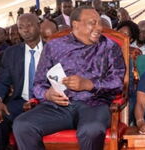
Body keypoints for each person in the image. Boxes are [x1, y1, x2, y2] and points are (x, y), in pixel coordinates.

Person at [12, 6, 125, 150]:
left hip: (94, 105)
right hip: (58, 107)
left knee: (91, 130)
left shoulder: (109, 47)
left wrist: (89, 84)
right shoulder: (54, 46)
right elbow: (38, 84)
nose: (99, 28)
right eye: (93, 23)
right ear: (75, 24)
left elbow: (118, 83)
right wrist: (47, 94)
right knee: (22, 125)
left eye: (99, 23)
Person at [0, 13, 42, 150]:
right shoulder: (11, 53)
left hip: (46, 102)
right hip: (21, 101)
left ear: (38, 26)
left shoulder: (53, 49)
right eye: (21, 27)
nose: (25, 30)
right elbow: (1, 81)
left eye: (29, 25)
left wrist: (38, 101)